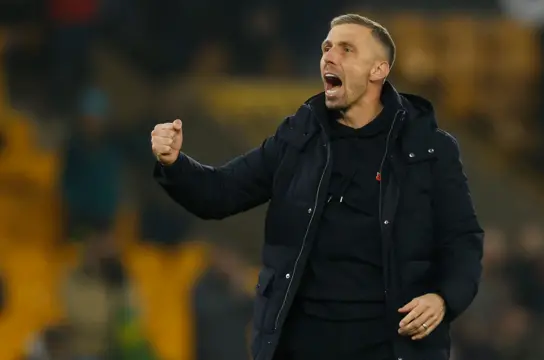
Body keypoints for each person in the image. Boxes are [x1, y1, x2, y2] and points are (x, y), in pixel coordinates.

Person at [151, 14, 483, 360]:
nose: (329, 55)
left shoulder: (428, 148)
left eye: (346, 49)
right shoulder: (298, 138)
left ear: (378, 71)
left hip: (389, 348)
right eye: (327, 47)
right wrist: (174, 163)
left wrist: (444, 298)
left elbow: (462, 240)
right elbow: (220, 193)